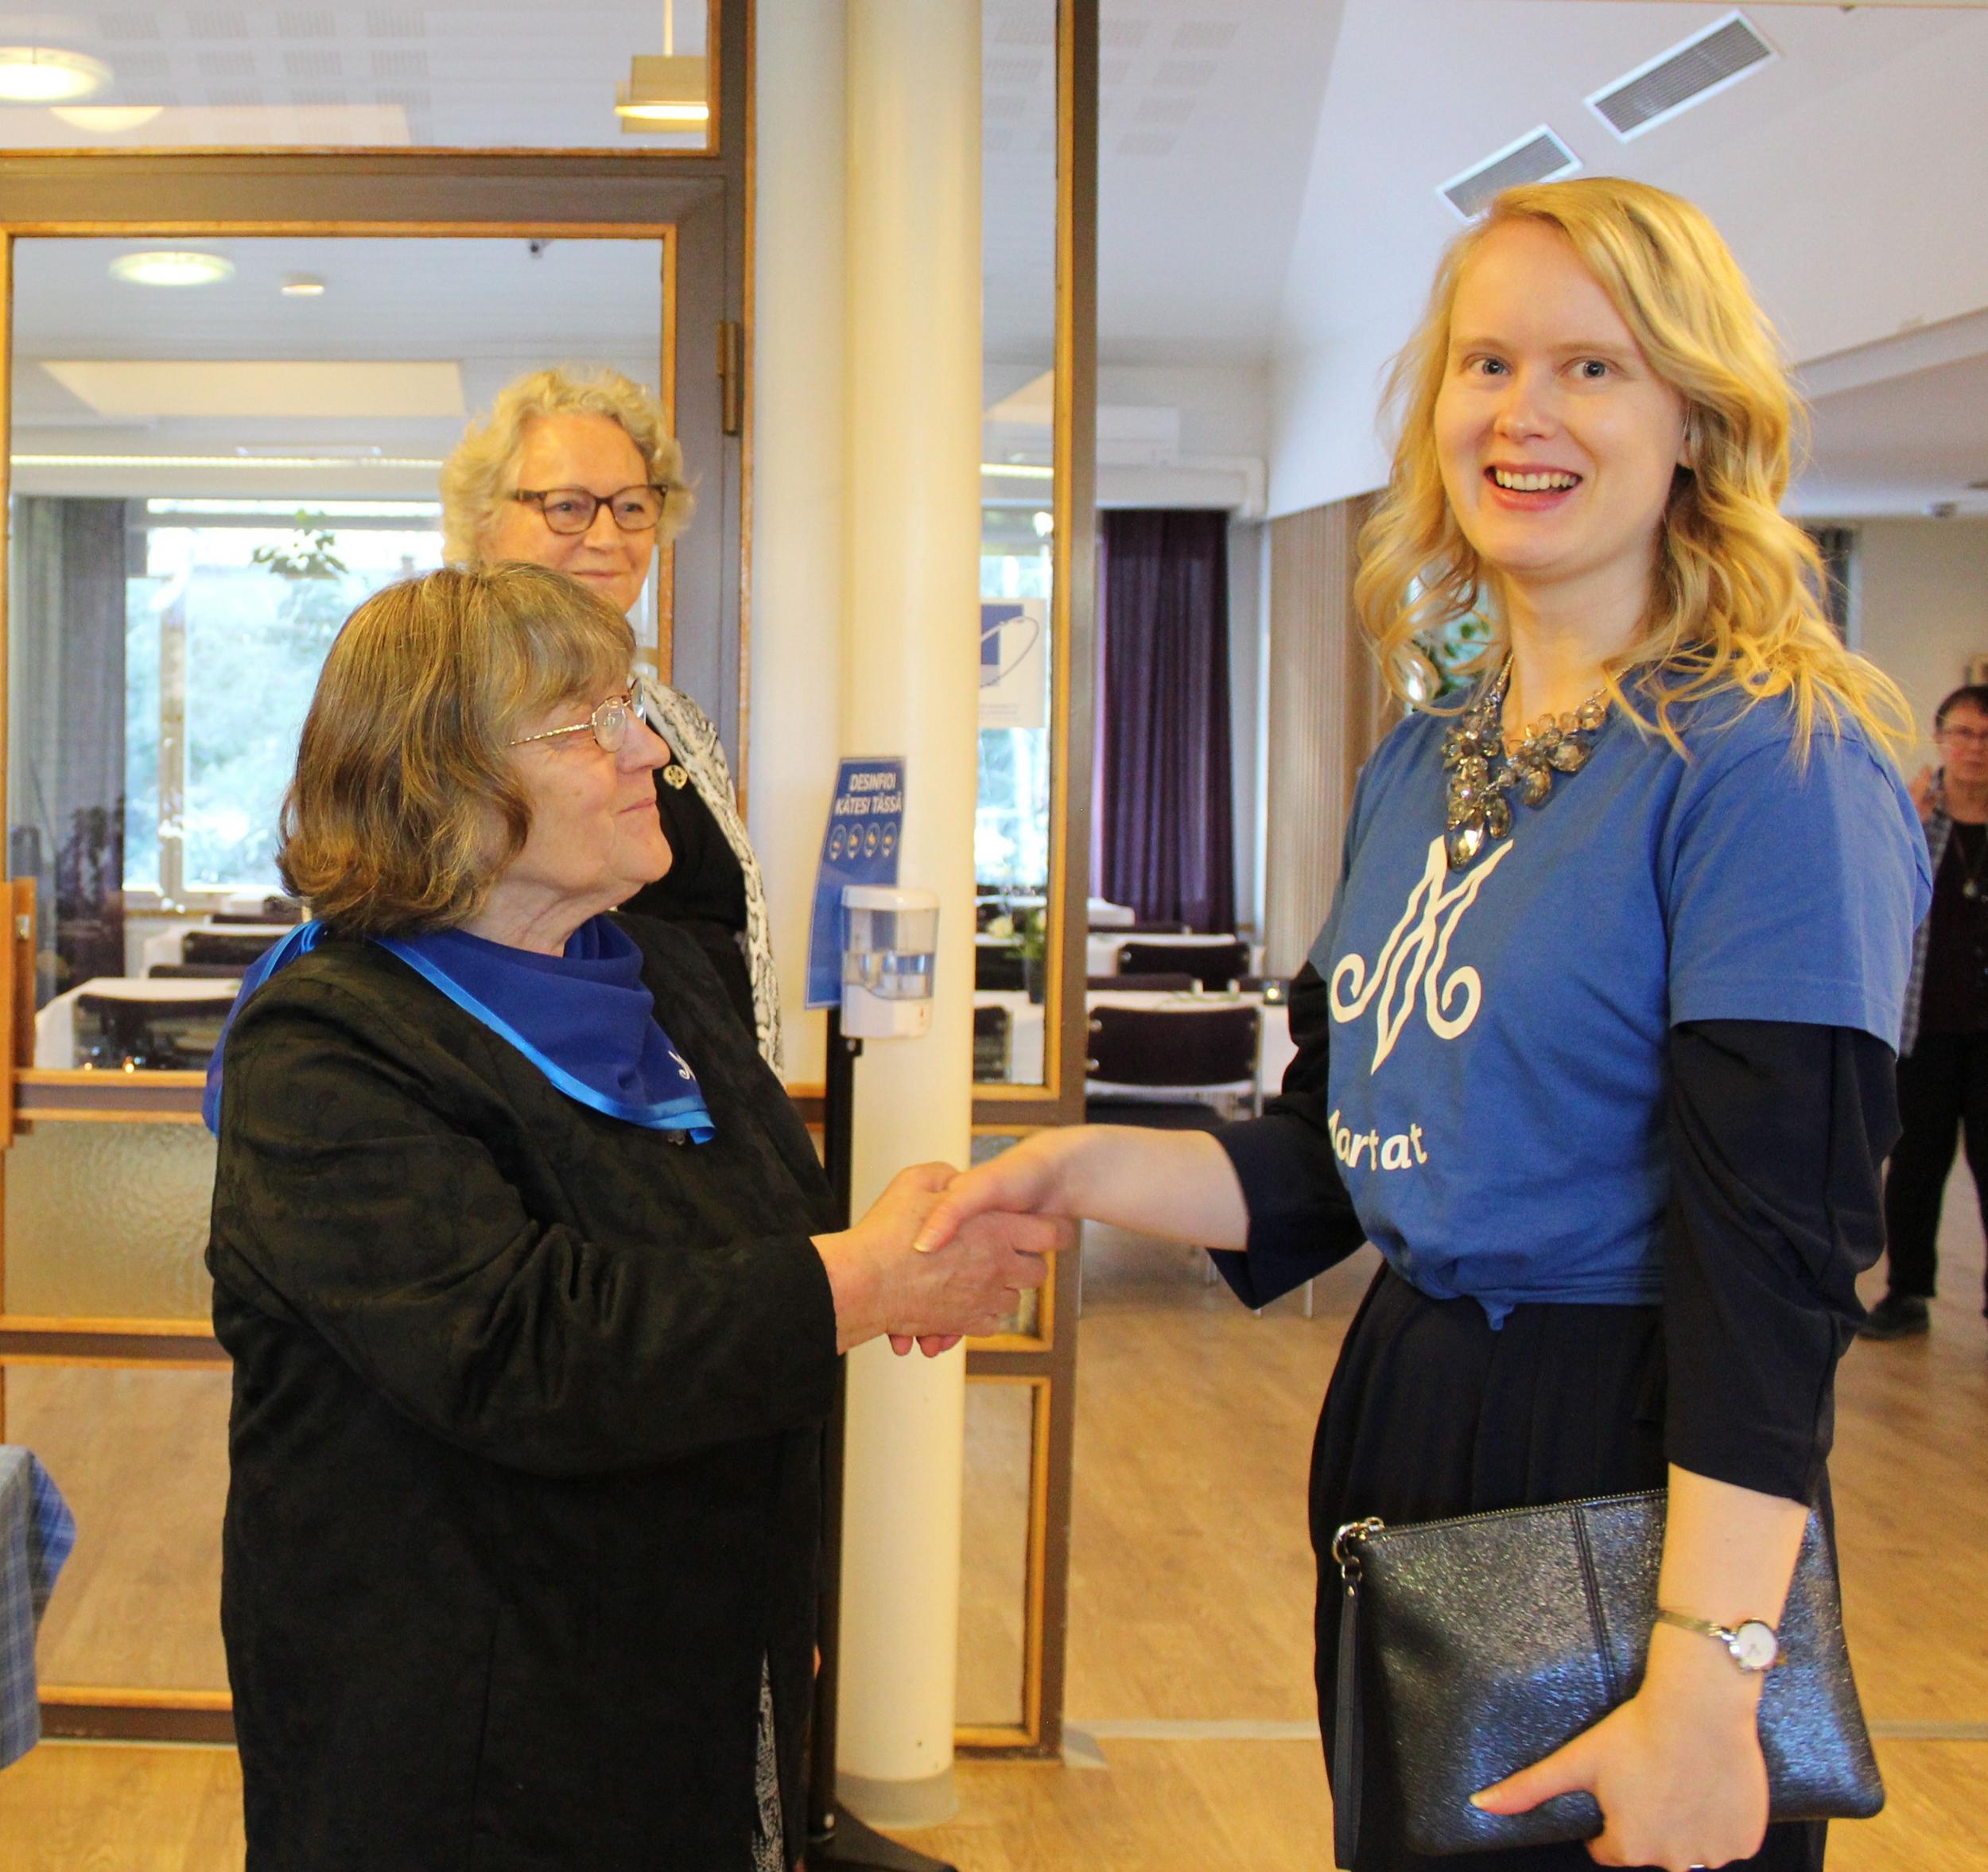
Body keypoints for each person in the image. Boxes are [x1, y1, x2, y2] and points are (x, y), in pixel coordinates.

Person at [918, 177, 1927, 1872]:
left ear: (1692, 417)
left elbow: (1775, 1266)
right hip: (1409, 1403)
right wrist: (1075, 1168)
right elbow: (1334, 1156)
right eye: (1487, 362)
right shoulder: (1423, 761)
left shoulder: (1772, 760)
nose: (1524, 413)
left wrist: (1710, 1676)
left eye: (1593, 368)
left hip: (1628, 1451)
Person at [204, 562, 1058, 1872]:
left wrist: (909, 1244)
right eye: (586, 724)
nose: (647, 749)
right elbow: (522, 1346)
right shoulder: (328, 1043)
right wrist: (861, 1278)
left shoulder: (657, 969)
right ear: (440, 781)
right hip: (463, 1734)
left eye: (632, 709)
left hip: (692, 1676)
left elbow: (762, 1247)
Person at [441, 365, 782, 1066]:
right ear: (482, 520)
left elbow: (736, 939)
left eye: (630, 506)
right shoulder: (441, 708)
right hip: (558, 1105)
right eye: (567, 506)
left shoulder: (676, 721)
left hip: (716, 1103)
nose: (606, 536)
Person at [1862, 682, 1988, 1340]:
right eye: (1962, 733)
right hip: (1921, 1028)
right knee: (1914, 1169)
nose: (1975, 748)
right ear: (1940, 739)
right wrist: (1900, 824)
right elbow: (1872, 891)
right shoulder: (1909, 811)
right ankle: (1906, 1294)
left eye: (1986, 737)